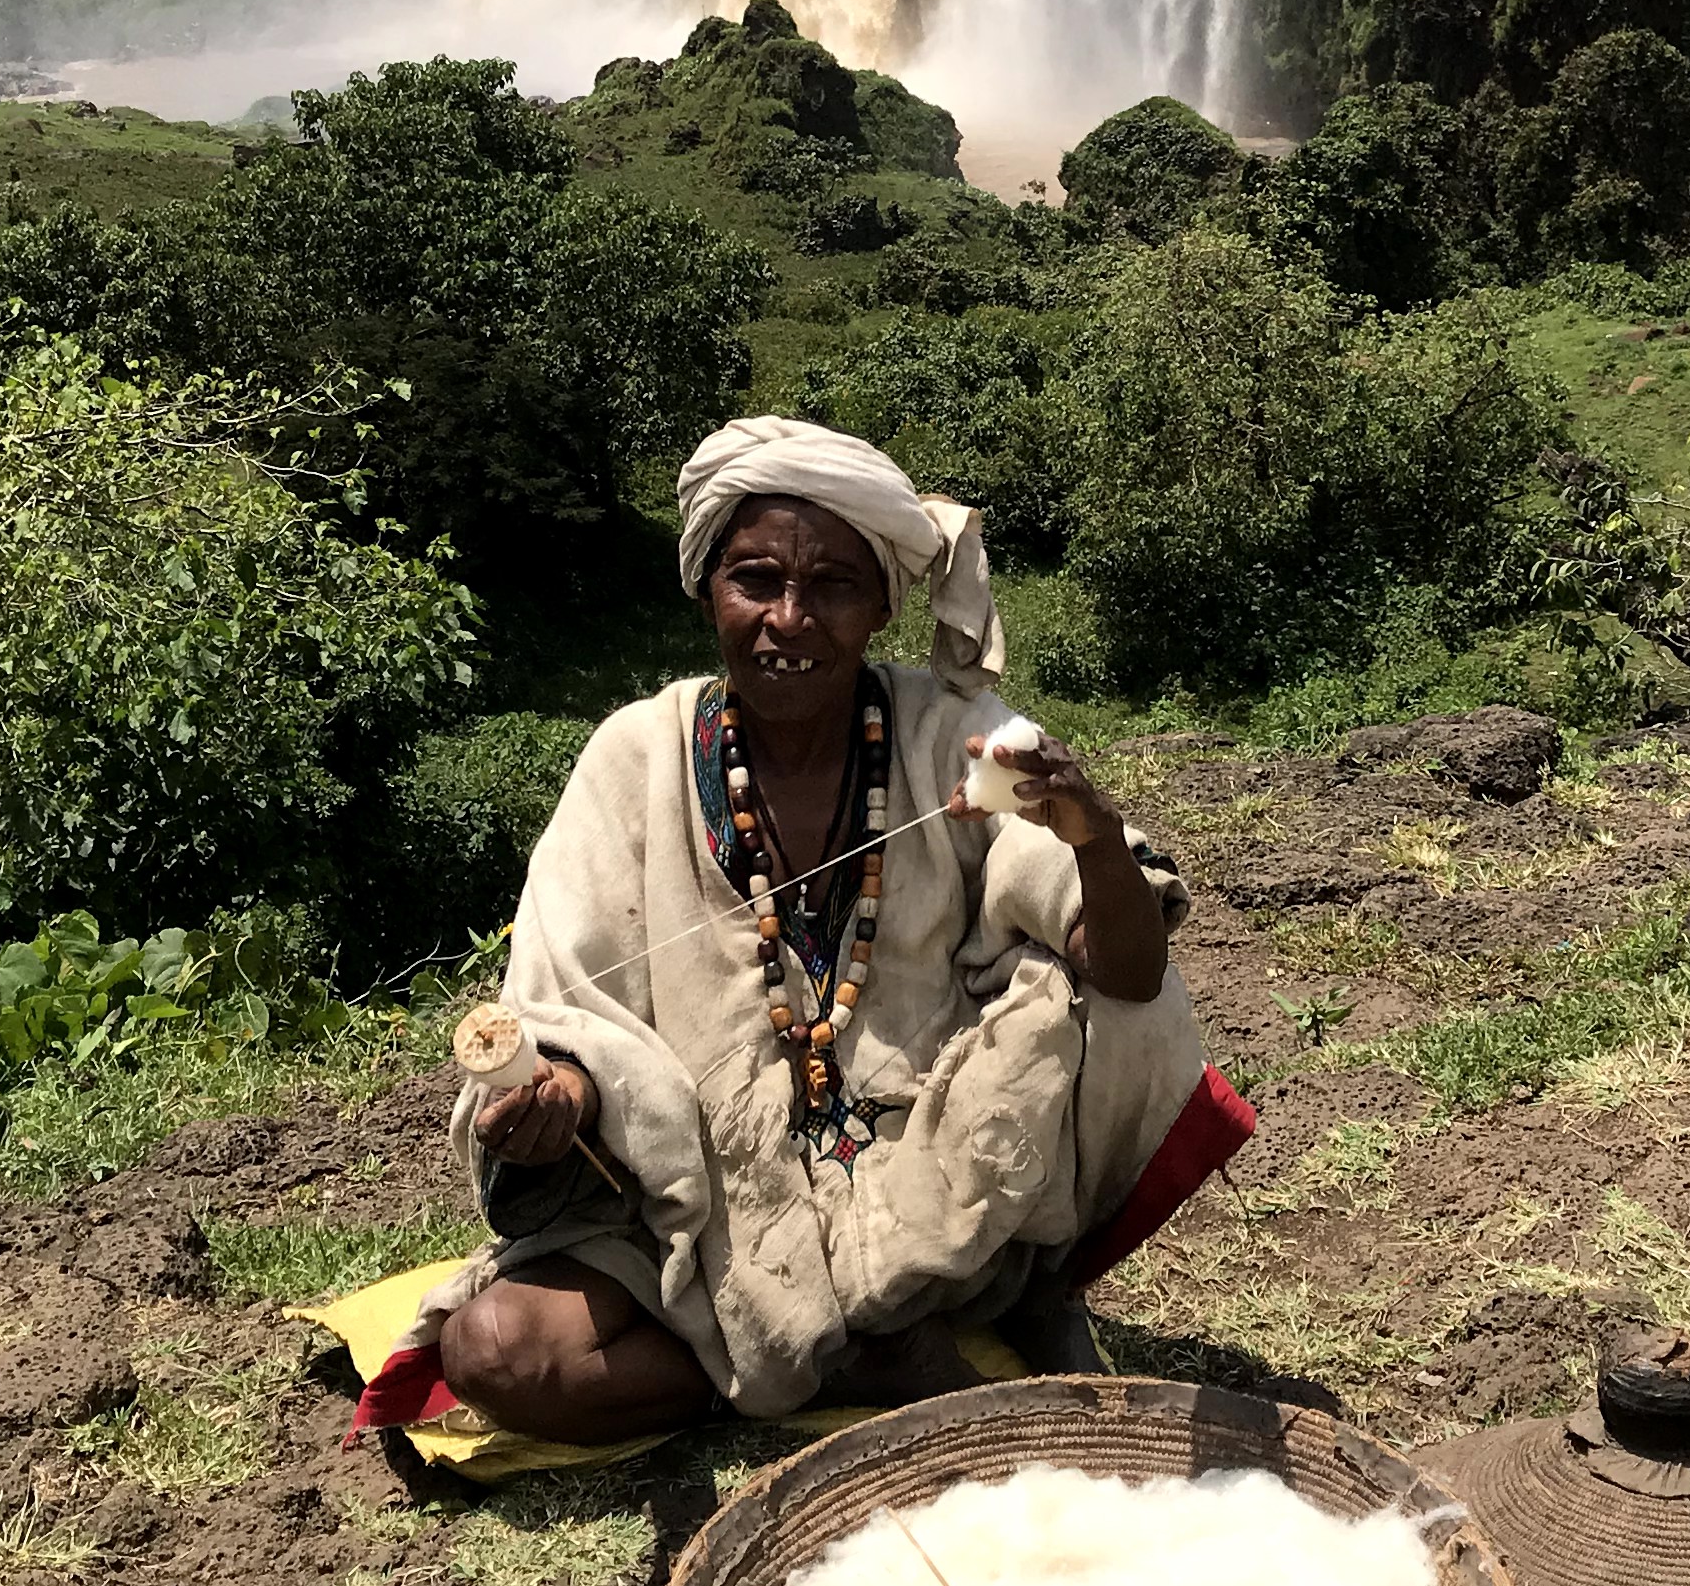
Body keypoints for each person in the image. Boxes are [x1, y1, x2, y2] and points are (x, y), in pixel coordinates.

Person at [419, 417, 1208, 1441]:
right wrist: (562, 1091)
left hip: (931, 1166)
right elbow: (563, 1003)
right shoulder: (636, 756)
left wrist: (1094, 839)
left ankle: (980, 1294)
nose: (789, 619)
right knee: (499, 1351)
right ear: (708, 588)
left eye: (833, 586)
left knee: (1097, 995)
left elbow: (1130, 973)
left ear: (882, 605)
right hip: (715, 1190)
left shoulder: (957, 734)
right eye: (756, 580)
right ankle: (846, 1354)